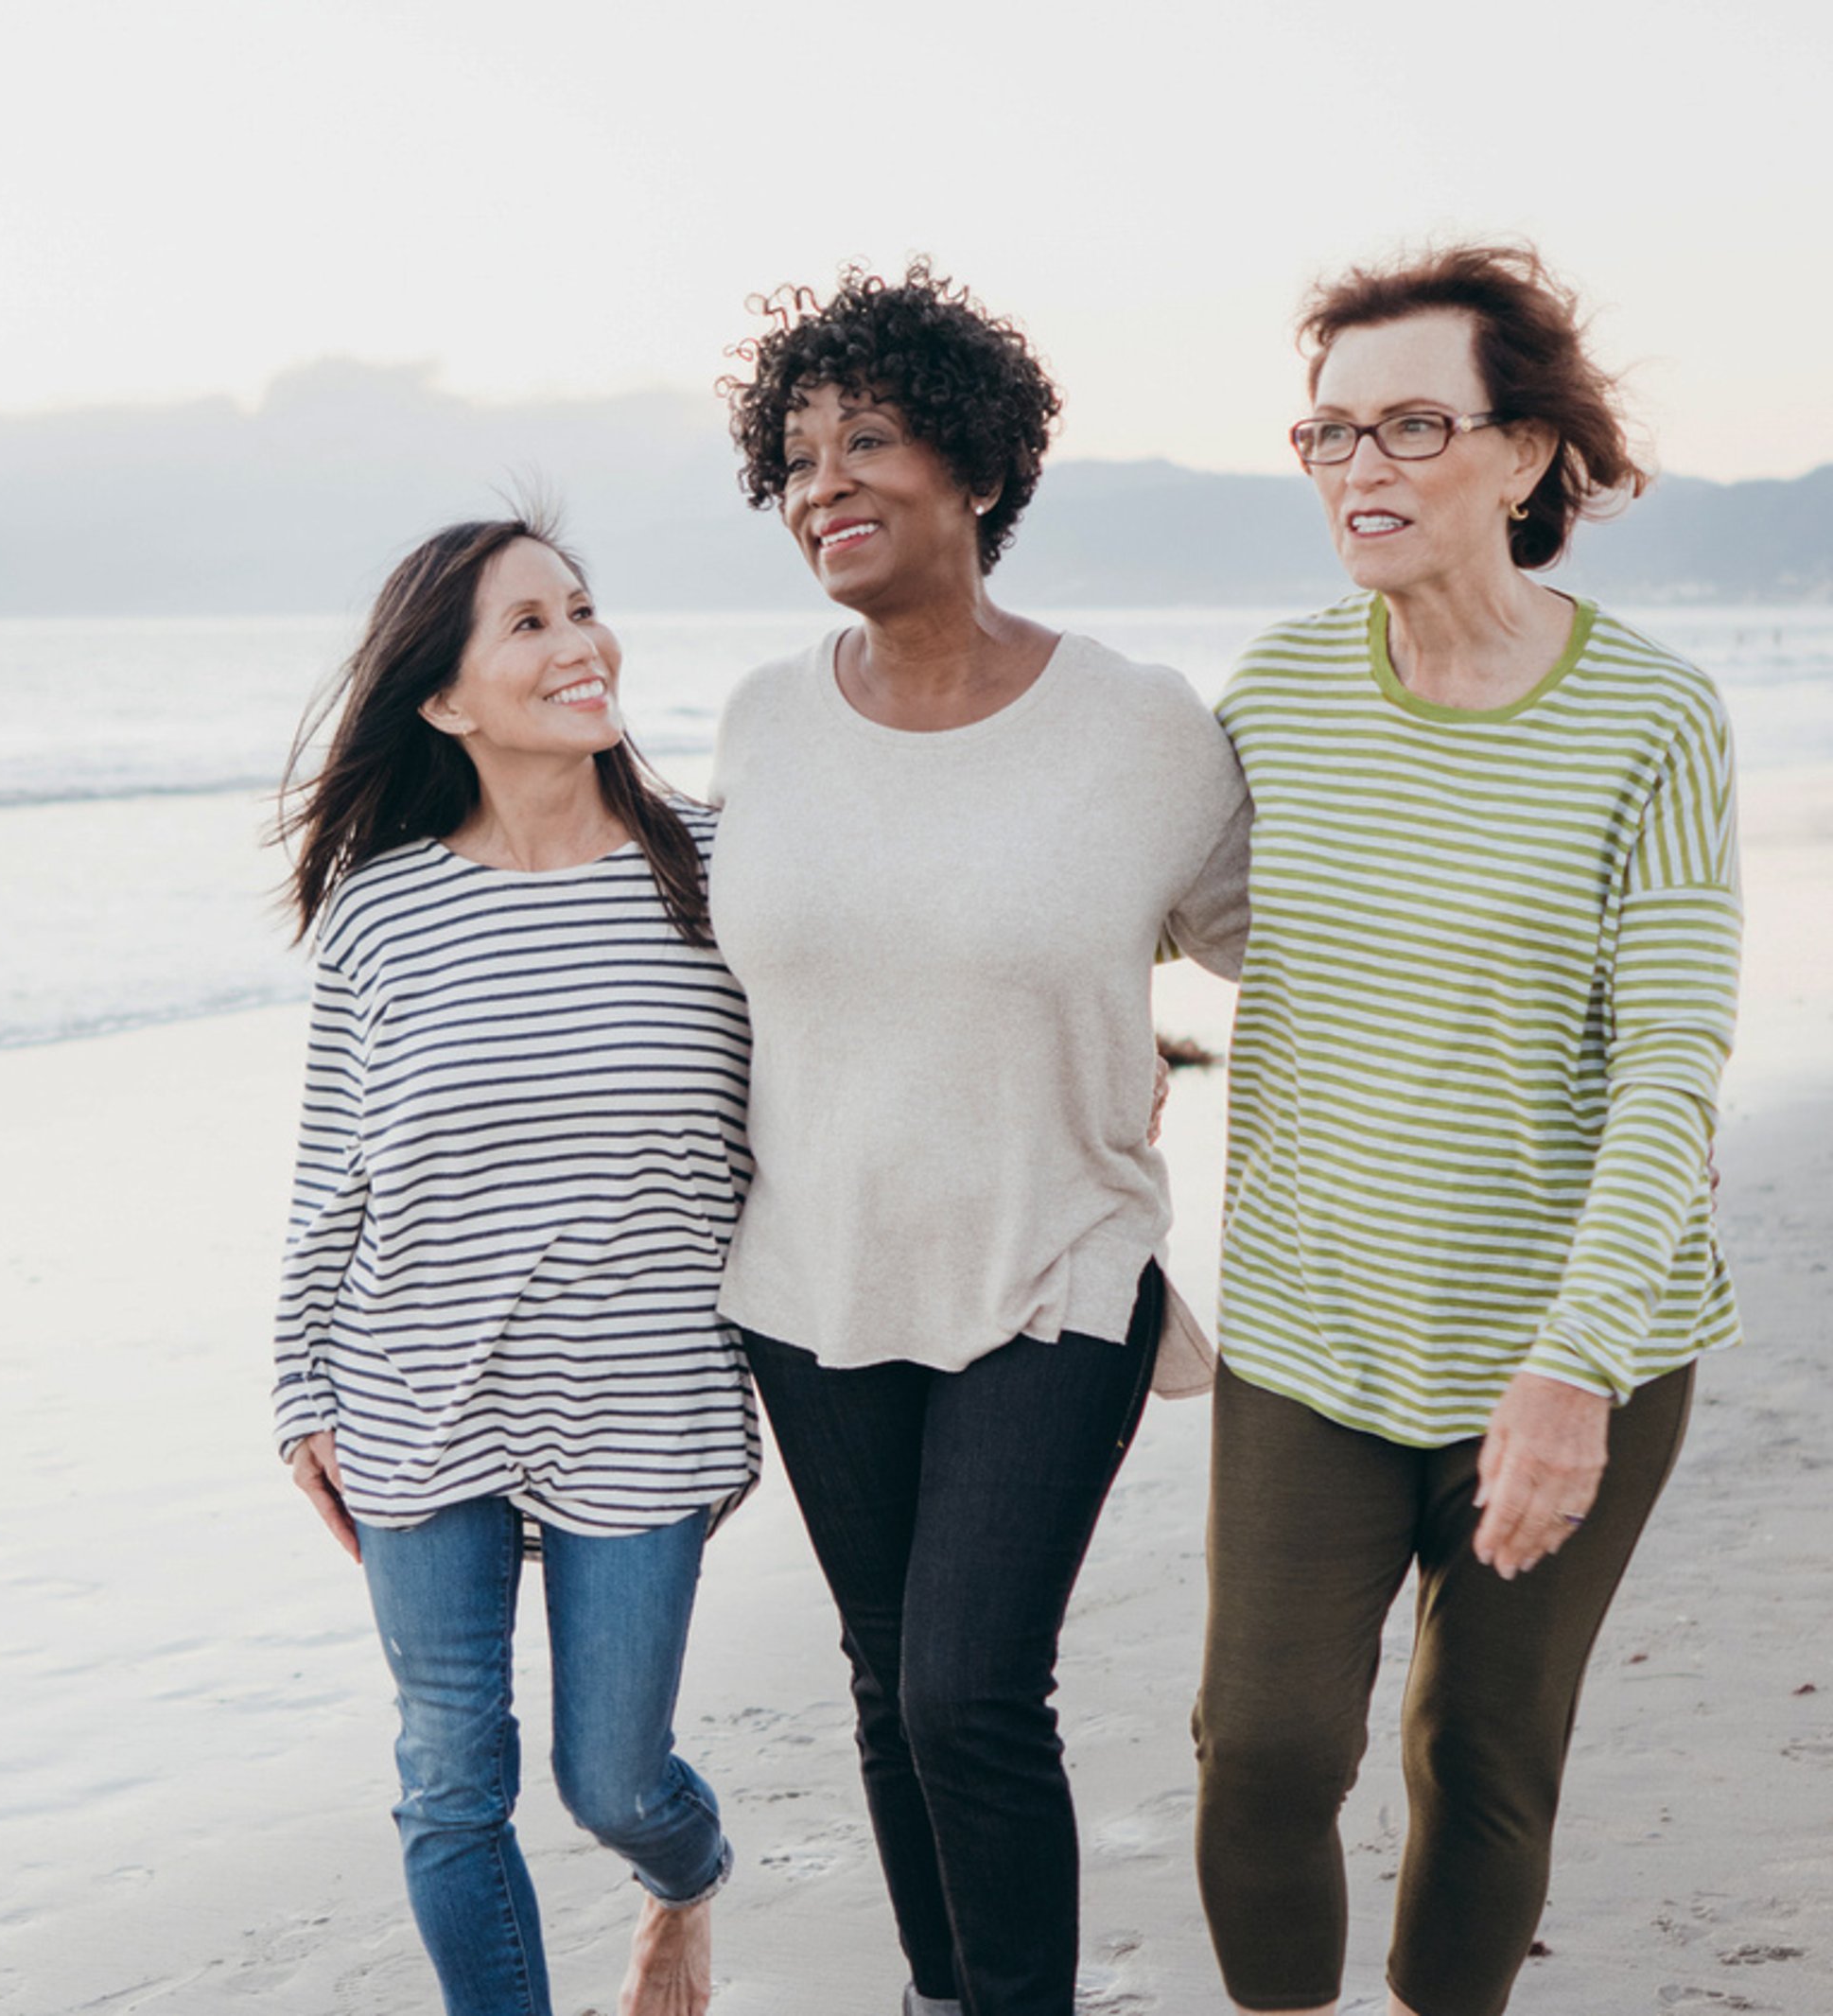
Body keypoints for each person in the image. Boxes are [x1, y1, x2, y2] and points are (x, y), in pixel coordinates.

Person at [1193, 241, 1741, 2016]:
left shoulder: (1653, 720)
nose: (1363, 467)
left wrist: (1573, 1373)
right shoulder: (1273, 698)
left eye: (1414, 424)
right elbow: (1081, 924)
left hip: (1575, 1348)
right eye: (1330, 431)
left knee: (1484, 1751)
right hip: (1312, 1329)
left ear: (1527, 458)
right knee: (1264, 1750)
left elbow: (1672, 1064)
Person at [706, 263, 1253, 2016]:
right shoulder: (763, 722)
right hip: (813, 1279)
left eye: (866, 438)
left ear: (979, 471)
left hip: (1053, 1265)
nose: (823, 486)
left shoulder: (1140, 728)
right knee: (886, 1681)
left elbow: (1300, 956)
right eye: (794, 456)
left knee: (965, 1690)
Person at [269, 513, 757, 2016]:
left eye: (585, 609)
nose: (581, 645)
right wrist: (298, 1391)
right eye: (530, 626)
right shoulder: (383, 910)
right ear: (445, 701)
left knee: (611, 1776)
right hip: (417, 1390)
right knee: (448, 1779)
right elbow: (328, 1174)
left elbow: (896, 1008)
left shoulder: (721, 872)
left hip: (644, 1391)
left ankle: (686, 1880)